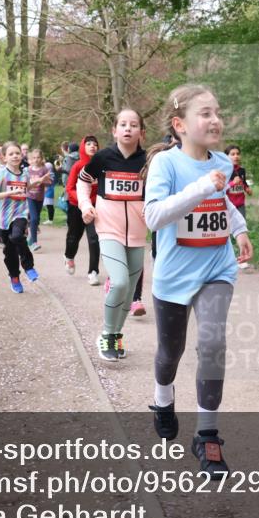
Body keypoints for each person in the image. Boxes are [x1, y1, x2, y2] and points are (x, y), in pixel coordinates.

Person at [142, 84, 253, 478]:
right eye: (205, 113)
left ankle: (207, 435)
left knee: (212, 342)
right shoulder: (166, 165)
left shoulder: (222, 159)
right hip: (173, 276)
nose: (215, 119)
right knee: (170, 352)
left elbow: (221, 205)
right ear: (180, 125)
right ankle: (162, 397)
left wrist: (239, 230)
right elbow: (154, 218)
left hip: (216, 269)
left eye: (217, 111)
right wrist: (202, 186)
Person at [78, 109, 148, 360]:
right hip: (108, 228)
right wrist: (86, 206)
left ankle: (116, 336)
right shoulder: (103, 158)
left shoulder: (149, 161)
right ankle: (107, 335)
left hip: (138, 233)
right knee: (119, 282)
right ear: (114, 130)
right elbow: (83, 182)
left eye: (134, 124)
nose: (128, 128)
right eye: (123, 124)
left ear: (142, 131)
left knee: (129, 293)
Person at [0, 142, 38, 293]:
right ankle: (14, 278)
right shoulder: (3, 174)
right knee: (9, 252)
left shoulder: (25, 173)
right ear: (4, 157)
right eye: (11, 154)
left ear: (21, 155)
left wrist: (37, 182)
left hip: (20, 213)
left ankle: (28, 266)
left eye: (17, 153)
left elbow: (25, 187)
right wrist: (9, 193)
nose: (15, 156)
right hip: (4, 217)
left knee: (17, 236)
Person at [65, 135, 102, 284]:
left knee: (94, 239)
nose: (92, 146)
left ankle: (93, 271)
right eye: (88, 144)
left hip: (95, 208)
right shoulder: (78, 166)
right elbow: (69, 188)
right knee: (74, 237)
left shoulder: (102, 166)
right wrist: (82, 201)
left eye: (95, 144)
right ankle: (69, 257)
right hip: (76, 206)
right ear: (83, 147)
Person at [225, 144, 253, 269]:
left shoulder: (241, 170)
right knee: (227, 231)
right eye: (232, 154)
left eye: (237, 153)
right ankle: (227, 258)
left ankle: (241, 257)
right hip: (228, 206)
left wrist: (247, 189)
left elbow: (243, 182)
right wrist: (231, 183)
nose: (236, 156)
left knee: (241, 230)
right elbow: (221, 189)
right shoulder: (224, 171)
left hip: (240, 204)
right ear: (226, 156)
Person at [25, 148, 54, 251]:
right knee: (34, 218)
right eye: (34, 158)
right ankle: (34, 243)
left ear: (41, 158)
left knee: (36, 219)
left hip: (40, 197)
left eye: (38, 157)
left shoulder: (44, 169)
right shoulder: (28, 170)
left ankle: (29, 236)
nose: (36, 160)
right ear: (31, 159)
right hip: (30, 197)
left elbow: (49, 182)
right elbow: (25, 182)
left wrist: (47, 180)